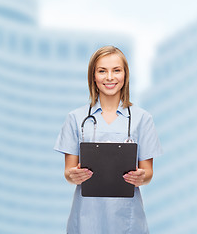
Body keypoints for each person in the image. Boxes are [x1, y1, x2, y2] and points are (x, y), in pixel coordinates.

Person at [54, 46, 162, 234]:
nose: (110, 77)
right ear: (93, 76)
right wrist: (74, 175)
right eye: (102, 71)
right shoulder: (75, 118)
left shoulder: (142, 119)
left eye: (116, 70)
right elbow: (68, 173)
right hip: (86, 218)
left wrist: (141, 177)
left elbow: (148, 173)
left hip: (127, 219)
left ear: (125, 76)